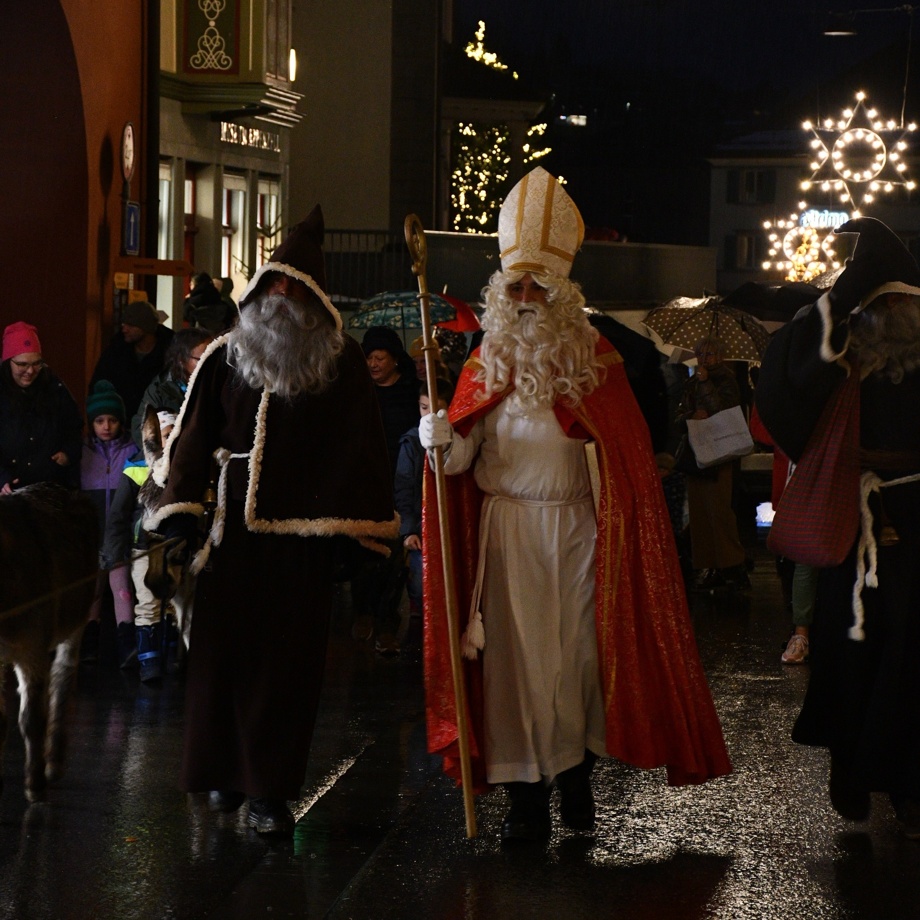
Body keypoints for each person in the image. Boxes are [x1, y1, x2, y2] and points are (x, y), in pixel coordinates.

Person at [419, 167, 730, 843]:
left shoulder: (598, 359)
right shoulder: (484, 364)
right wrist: (439, 439)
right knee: (515, 665)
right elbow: (459, 468)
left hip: (584, 532)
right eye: (516, 286)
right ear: (501, 294)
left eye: (539, 286)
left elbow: (625, 460)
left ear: (563, 294)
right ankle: (527, 797)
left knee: (580, 659)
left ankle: (576, 783)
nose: (526, 296)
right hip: (508, 535)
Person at [146, 206, 398, 835]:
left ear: (314, 295)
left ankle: (267, 791)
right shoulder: (225, 358)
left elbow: (362, 449)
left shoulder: (339, 365)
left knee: (287, 672)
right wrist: (178, 513)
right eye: (273, 285)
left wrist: (358, 538)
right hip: (230, 538)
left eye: (295, 287)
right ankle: (222, 774)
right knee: (221, 661)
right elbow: (193, 440)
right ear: (259, 290)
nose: (282, 298)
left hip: (302, 544)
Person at [756, 216, 920, 839]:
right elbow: (788, 374)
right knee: (850, 655)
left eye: (905, 301)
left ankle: (907, 782)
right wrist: (850, 286)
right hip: (850, 523)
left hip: (916, 522)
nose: (897, 312)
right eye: (886, 302)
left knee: (911, 657)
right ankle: (849, 772)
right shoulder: (839, 366)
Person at [349, 325, 421, 654]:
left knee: (393, 558)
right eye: (369, 358)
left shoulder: (411, 392)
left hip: (400, 483)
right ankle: (362, 613)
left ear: (395, 360)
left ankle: (387, 623)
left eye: (380, 358)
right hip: (365, 482)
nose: (374, 364)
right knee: (364, 552)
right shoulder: (358, 390)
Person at [677, 335, 750, 592]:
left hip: (721, 451)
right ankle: (709, 565)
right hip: (697, 451)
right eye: (700, 353)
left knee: (719, 511)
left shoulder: (726, 379)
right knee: (700, 513)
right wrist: (690, 415)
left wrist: (706, 384)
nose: (704, 359)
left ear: (719, 356)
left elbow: (725, 409)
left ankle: (733, 565)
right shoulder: (690, 382)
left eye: (709, 354)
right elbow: (680, 412)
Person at [80, 380, 139, 668]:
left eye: (113, 420)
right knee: (92, 591)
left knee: (122, 588)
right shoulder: (81, 453)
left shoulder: (131, 451)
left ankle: (127, 644)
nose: (106, 426)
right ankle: (88, 645)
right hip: (90, 534)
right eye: (99, 420)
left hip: (117, 533)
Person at [394, 376, 453, 644]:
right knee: (420, 583)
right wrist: (408, 530)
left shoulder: (459, 440)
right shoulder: (411, 443)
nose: (428, 415)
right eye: (423, 407)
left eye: (436, 408)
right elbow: (404, 488)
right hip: (421, 526)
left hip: (450, 525)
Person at [0, 321, 82, 493]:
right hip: (9, 492)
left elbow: (74, 427)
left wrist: (68, 453)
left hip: (49, 489)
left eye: (37, 363)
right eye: (22, 364)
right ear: (8, 362)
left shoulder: (55, 388)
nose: (30, 371)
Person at [130, 327, 214, 448]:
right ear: (181, 360)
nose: (210, 364)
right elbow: (141, 429)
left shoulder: (219, 385)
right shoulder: (160, 390)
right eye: (202, 359)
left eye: (213, 357)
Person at [89, 300, 173, 419]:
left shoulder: (171, 354)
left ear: (145, 327)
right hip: (122, 424)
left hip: (160, 423)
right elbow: (99, 384)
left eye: (131, 325)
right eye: (124, 324)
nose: (124, 329)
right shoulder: (116, 351)